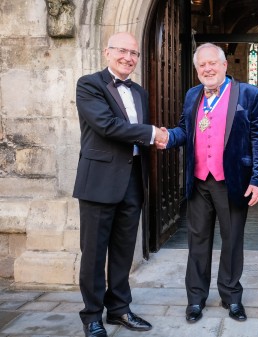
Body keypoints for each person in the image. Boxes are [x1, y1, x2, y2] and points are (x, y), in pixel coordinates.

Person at [161, 43, 258, 323]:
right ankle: (195, 299)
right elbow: (185, 130)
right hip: (199, 181)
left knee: (232, 241)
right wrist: (167, 138)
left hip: (232, 180)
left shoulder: (249, 94)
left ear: (224, 65)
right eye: (202, 65)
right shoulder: (192, 95)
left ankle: (231, 297)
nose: (207, 69)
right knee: (197, 241)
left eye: (212, 63)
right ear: (197, 70)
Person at [74, 32, 168, 337]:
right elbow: (106, 126)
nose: (128, 57)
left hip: (132, 180)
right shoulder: (89, 84)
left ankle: (119, 309)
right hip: (99, 181)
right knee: (94, 253)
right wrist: (154, 133)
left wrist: (155, 137)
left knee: (123, 250)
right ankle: (91, 316)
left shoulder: (139, 92)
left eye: (134, 53)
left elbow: (135, 134)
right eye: (122, 51)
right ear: (107, 52)